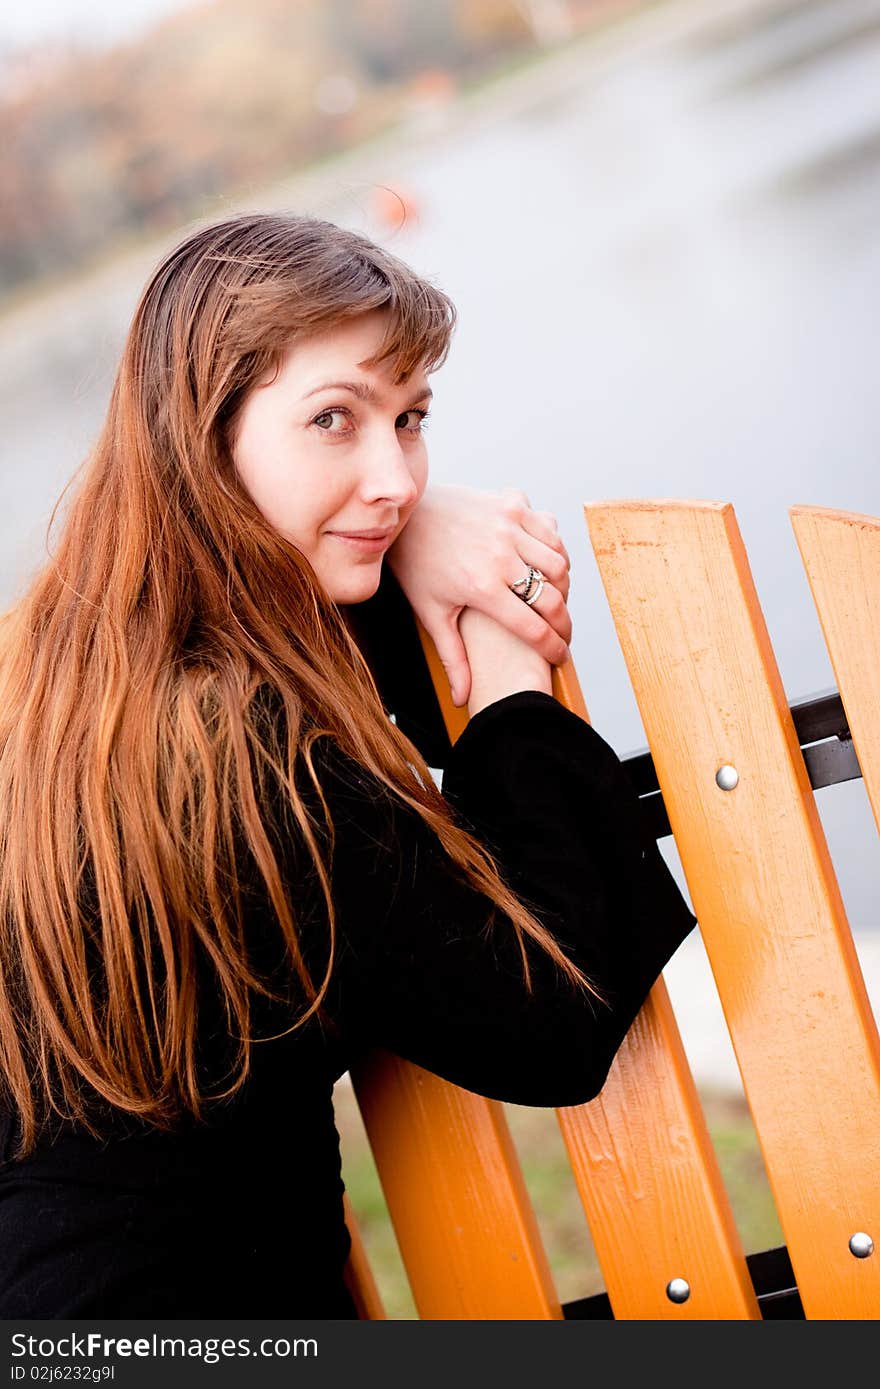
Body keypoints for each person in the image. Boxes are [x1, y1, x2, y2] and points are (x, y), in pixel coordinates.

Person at [0, 212, 696, 1318]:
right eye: (335, 419)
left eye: (411, 420)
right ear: (202, 435)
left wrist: (399, 525)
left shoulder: (60, 681)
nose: (396, 472)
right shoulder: (250, 757)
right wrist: (511, 659)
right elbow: (549, 1017)